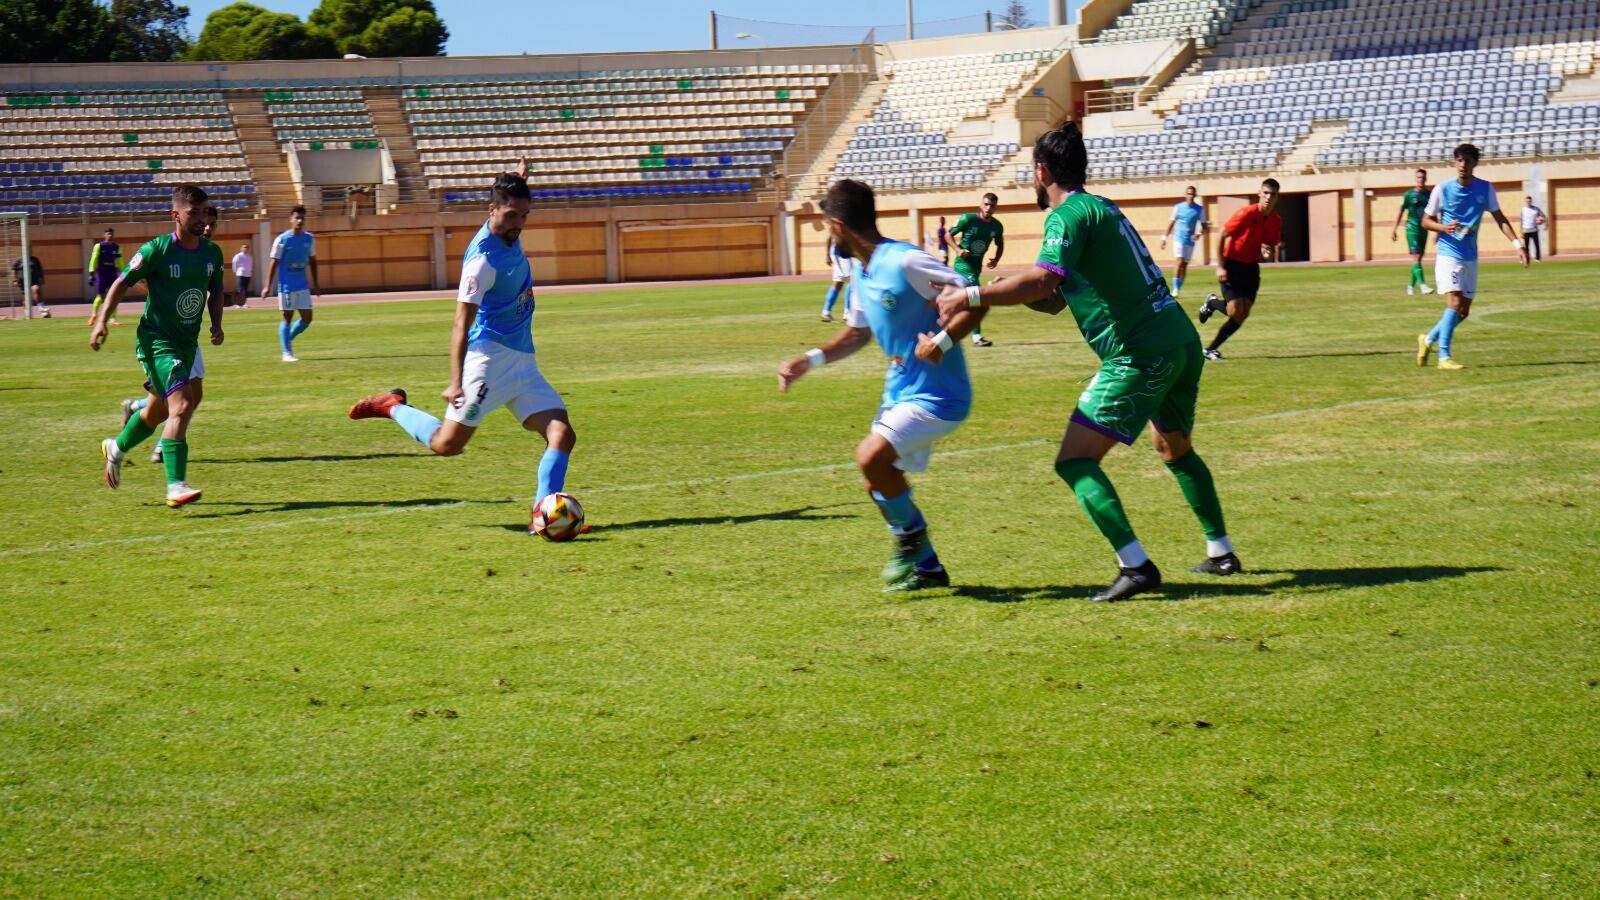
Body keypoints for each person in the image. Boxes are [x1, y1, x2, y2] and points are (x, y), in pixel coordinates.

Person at [932, 122, 1238, 602]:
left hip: (1140, 353)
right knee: (1174, 449)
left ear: (1040, 171)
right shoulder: (1101, 208)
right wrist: (1000, 291)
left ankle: (1135, 566)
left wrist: (971, 294)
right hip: (1177, 340)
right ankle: (1221, 550)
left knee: (1074, 460)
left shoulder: (1067, 216)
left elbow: (1041, 284)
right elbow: (1053, 295)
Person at [348, 171, 578, 533]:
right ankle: (392, 406)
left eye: (524, 216)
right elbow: (460, 324)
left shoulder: (502, 226)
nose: (519, 224)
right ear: (492, 211)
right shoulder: (481, 264)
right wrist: (455, 382)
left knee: (562, 434)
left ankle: (541, 516)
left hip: (522, 363)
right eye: (512, 216)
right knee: (446, 445)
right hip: (487, 363)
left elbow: (510, 201)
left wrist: (519, 177)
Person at [779, 179, 977, 593]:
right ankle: (929, 569)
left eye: (826, 227)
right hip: (899, 394)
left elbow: (974, 297)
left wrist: (942, 341)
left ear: (838, 224)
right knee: (877, 480)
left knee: (869, 456)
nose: (828, 236)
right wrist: (809, 359)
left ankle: (909, 540)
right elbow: (856, 334)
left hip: (939, 395)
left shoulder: (904, 261)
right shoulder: (860, 272)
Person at [91, 184, 224, 507]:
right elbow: (121, 283)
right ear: (175, 215)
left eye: (204, 212)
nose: (201, 219)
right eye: (193, 212)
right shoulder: (156, 250)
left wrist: (217, 324)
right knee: (183, 404)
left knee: (157, 411)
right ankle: (175, 484)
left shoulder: (211, 252)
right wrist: (101, 321)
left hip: (187, 342)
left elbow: (216, 289)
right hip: (157, 341)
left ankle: (117, 448)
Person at [1416, 143, 1527, 371]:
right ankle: (1444, 357)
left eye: (1467, 161)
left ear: (1475, 163)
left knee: (1463, 311)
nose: (1462, 165)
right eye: (1459, 160)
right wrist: (1443, 227)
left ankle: (1427, 340)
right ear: (1454, 162)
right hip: (1449, 255)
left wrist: (1518, 244)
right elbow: (1425, 221)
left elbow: (1500, 218)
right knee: (1454, 303)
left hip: (1470, 256)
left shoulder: (1485, 189)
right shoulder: (1442, 189)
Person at [1196, 179, 1283, 360]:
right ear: (1259, 193)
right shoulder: (1245, 213)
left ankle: (1210, 349)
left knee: (1243, 314)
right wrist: (1219, 266)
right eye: (1265, 193)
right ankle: (1211, 304)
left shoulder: (1275, 221)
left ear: (1277, 197)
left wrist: (1268, 251)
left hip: (1251, 268)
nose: (1268, 197)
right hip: (1232, 264)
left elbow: (1270, 248)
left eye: (1272, 194)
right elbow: (1222, 235)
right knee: (1234, 310)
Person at [260, 205, 318, 362]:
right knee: (287, 317)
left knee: (307, 319)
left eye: (302, 218)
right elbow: (274, 262)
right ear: (291, 219)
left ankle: (288, 337)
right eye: (297, 218)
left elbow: (313, 261)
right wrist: (267, 285)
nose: (299, 220)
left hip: (303, 286)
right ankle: (287, 353)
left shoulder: (309, 239)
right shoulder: (282, 239)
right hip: (286, 286)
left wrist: (316, 284)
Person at [948, 193, 1004, 347]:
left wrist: (996, 259)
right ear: (980, 204)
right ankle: (976, 337)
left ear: (995, 207)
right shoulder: (968, 219)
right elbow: (948, 235)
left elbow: (1000, 244)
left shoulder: (996, 226)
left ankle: (946, 331)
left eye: (991, 206)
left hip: (976, 267)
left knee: (962, 301)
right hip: (963, 266)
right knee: (976, 298)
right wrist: (958, 250)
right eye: (985, 204)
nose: (988, 208)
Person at [1391, 169, 1434, 295]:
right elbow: (1401, 211)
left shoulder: (1429, 195)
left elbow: (1433, 213)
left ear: (1425, 179)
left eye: (1423, 177)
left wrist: (1437, 230)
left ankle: (1410, 286)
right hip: (1412, 229)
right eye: (1419, 177)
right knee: (1415, 256)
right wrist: (1394, 229)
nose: (1421, 179)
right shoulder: (1408, 195)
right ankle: (1423, 286)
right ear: (1416, 179)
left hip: (1424, 230)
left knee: (1418, 258)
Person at [1159, 185, 1207, 298]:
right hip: (1178, 239)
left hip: (1190, 240)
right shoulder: (1178, 207)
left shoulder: (1199, 209)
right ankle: (1175, 289)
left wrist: (1198, 234)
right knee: (1179, 261)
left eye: (1192, 194)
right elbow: (1171, 223)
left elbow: (1204, 226)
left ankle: (1178, 288)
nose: (1190, 195)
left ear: (1195, 195)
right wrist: (1164, 238)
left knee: (1184, 265)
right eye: (1188, 193)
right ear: (1185, 195)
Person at [88, 228, 122, 325]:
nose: (110, 235)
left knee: (114, 296)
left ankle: (113, 319)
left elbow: (120, 261)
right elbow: (93, 260)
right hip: (101, 273)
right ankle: (94, 316)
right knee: (100, 296)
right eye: (108, 233)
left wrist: (124, 273)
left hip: (112, 273)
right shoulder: (98, 246)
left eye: (111, 233)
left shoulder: (117, 247)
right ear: (104, 235)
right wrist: (91, 273)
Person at [820, 236, 851, 323]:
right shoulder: (841, 222)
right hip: (840, 253)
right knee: (852, 281)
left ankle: (826, 312)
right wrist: (827, 255)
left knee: (838, 283)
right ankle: (848, 313)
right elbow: (829, 237)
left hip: (842, 252)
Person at [1520, 196, 1547, 262]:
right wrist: (1521, 230)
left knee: (1537, 245)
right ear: (1525, 202)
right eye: (1527, 201)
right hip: (1526, 230)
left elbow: (1543, 216)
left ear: (1531, 201)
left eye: (1530, 201)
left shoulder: (1536, 209)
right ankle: (1526, 259)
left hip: (1534, 230)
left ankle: (1538, 259)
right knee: (1526, 246)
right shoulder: (1523, 209)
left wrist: (1541, 221)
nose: (1528, 202)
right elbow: (1521, 221)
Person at [232, 242, 253, 307]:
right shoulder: (238, 256)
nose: (245, 249)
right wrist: (236, 271)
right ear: (241, 248)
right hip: (240, 274)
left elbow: (250, 265)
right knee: (240, 289)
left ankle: (244, 303)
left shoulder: (249, 257)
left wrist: (250, 272)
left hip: (248, 275)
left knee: (245, 289)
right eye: (244, 247)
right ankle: (238, 304)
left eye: (246, 247)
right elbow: (234, 264)